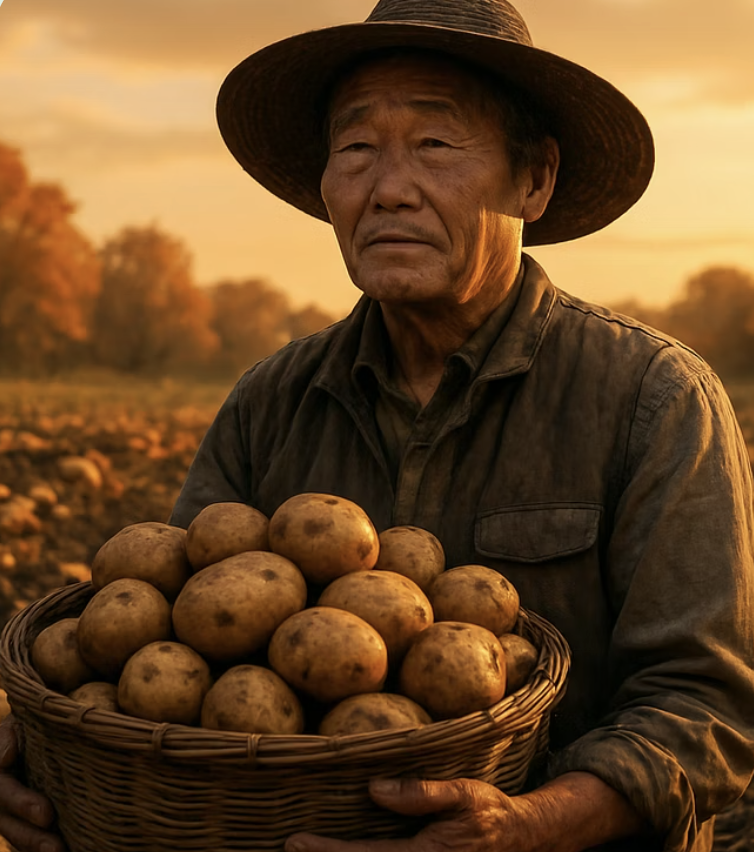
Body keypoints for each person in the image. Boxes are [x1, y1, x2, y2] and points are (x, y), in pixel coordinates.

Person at [2, 1, 754, 850]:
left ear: (533, 179)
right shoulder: (269, 402)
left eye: (435, 145)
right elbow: (166, 655)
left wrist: (525, 825)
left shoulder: (654, 398)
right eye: (356, 148)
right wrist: (46, 748)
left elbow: (707, 706)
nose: (388, 188)